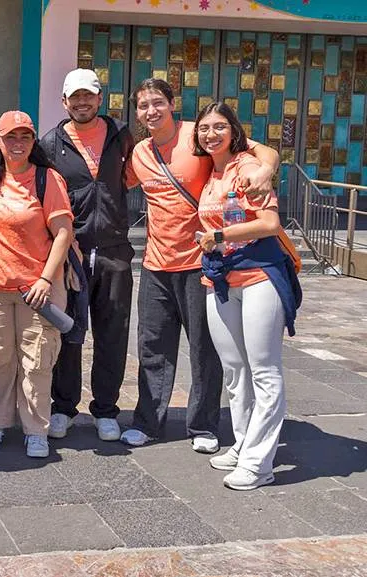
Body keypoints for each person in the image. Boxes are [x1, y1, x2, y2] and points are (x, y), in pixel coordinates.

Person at [121, 78, 280, 452]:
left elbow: (259, 151)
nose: (151, 111)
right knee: (152, 347)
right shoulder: (140, 151)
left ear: (172, 104)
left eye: (158, 102)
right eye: (143, 106)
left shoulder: (198, 134)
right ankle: (149, 422)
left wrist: (265, 169)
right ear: (137, 112)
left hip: (200, 262)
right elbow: (113, 183)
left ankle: (204, 425)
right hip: (156, 264)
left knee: (205, 350)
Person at [194, 102, 299, 490]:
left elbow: (269, 224)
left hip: (258, 277)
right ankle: (243, 443)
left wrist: (219, 237)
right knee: (235, 368)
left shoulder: (248, 168)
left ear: (234, 131)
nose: (211, 135)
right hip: (220, 279)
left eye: (220, 127)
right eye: (204, 128)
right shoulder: (211, 170)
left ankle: (259, 463)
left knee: (264, 370)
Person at [0, 111, 73, 459]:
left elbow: (62, 233)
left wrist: (46, 278)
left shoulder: (47, 179)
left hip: (37, 290)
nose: (17, 144)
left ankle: (35, 429)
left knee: (36, 362)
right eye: (9, 137)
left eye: (24, 137)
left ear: (33, 142)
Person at [39, 69, 134, 442]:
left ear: (99, 99)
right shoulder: (50, 144)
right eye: (74, 97)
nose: (82, 103)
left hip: (114, 250)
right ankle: (63, 406)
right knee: (69, 332)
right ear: (64, 102)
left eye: (88, 96)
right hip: (71, 253)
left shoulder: (121, 136)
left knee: (113, 333)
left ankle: (106, 409)